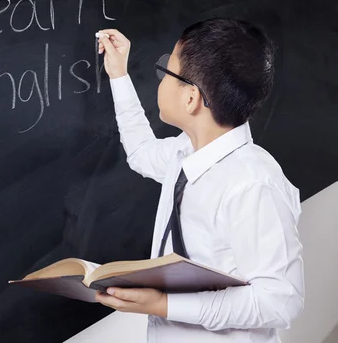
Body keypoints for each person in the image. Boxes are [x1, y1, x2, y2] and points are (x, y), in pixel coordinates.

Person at [93, 18, 305, 342]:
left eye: (166, 71)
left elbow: (279, 300)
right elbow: (140, 152)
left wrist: (166, 304)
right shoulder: (186, 151)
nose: (160, 79)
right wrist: (119, 74)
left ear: (191, 98)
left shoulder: (253, 184)